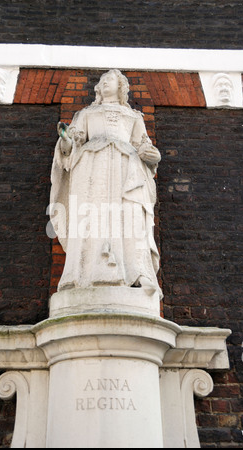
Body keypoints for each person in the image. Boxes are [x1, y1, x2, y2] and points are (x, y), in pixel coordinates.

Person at [50, 69, 162, 298]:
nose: (104, 83)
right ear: (98, 89)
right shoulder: (86, 114)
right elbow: (71, 148)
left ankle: (138, 274)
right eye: (102, 81)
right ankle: (82, 275)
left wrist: (151, 155)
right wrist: (65, 141)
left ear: (121, 87)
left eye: (110, 79)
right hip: (92, 168)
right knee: (91, 218)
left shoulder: (134, 117)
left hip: (127, 169)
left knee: (131, 218)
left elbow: (145, 148)